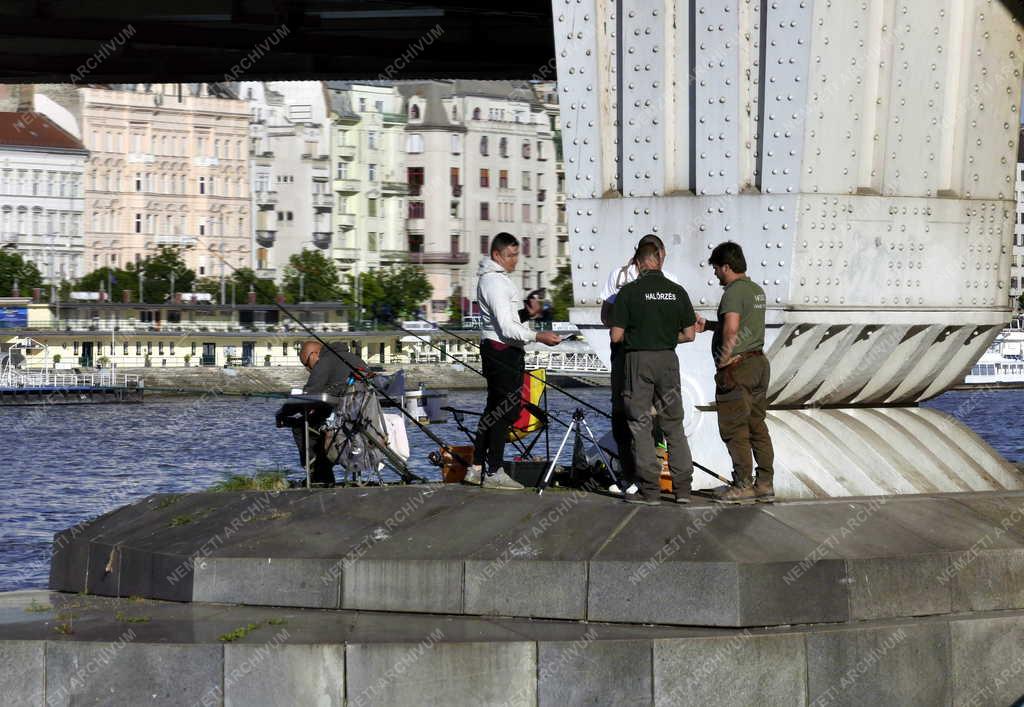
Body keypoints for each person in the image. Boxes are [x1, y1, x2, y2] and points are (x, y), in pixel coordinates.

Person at [469, 232, 562, 489]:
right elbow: (506, 327)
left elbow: (505, 319)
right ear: (497, 255)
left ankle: (476, 467)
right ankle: (494, 471)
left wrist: (526, 313)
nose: (515, 260)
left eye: (517, 254)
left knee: (493, 410)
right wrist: (538, 336)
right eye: (510, 255)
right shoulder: (495, 282)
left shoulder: (494, 280)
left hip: (499, 348)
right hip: (502, 352)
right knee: (504, 412)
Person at [609, 243, 697, 505]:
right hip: (668, 360)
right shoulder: (677, 292)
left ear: (638, 262)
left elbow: (616, 336)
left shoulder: (629, 292)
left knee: (640, 424)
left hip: (638, 361)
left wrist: (640, 339)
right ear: (659, 260)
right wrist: (664, 338)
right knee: (673, 425)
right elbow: (690, 334)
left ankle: (650, 490)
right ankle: (682, 490)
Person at [696, 242, 775, 503]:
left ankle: (742, 484)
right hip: (759, 364)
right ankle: (764, 483)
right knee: (756, 426)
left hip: (738, 370)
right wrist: (708, 326)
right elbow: (744, 327)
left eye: (717, 269)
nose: (716, 274)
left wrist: (723, 361)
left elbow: (731, 329)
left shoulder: (733, 292)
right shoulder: (755, 290)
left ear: (727, 267)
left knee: (734, 429)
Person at [599, 234, 680, 490]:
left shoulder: (670, 281)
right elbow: (605, 316)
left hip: (648, 354)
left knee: (654, 416)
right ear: (650, 255)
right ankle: (629, 473)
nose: (662, 263)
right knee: (622, 413)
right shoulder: (619, 277)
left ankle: (651, 475)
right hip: (624, 354)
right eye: (660, 257)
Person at [291, 340, 371, 486]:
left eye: (306, 364)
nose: (308, 369)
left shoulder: (325, 361)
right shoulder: (356, 359)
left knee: (300, 426)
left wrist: (285, 412)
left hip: (341, 421)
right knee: (318, 425)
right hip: (363, 419)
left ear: (314, 354)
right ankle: (322, 472)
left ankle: (319, 475)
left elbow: (309, 394)